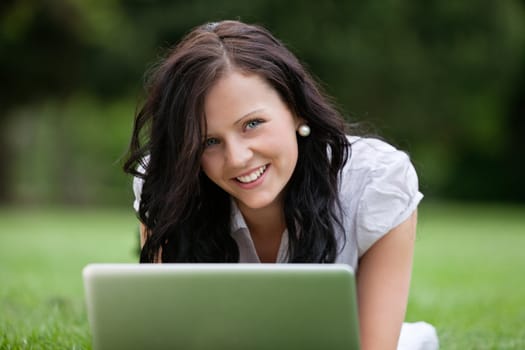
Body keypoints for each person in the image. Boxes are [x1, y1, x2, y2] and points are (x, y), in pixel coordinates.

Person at [123, 20, 439, 350]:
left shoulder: (375, 179)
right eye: (209, 142)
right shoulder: (170, 183)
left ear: (297, 111)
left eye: (252, 124)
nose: (237, 158)